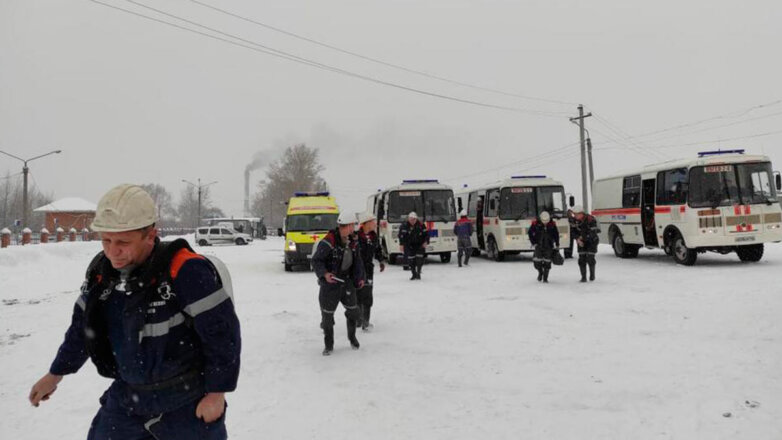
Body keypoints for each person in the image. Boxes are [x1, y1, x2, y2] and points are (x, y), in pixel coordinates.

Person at [28, 184, 241, 440]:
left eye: (123, 242)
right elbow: (82, 330)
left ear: (151, 235)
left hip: (185, 401)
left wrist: (217, 394)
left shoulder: (185, 271)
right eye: (106, 240)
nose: (112, 251)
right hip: (128, 398)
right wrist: (55, 374)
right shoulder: (101, 275)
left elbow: (221, 335)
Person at [311, 212, 366, 355]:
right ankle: (328, 345)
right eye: (352, 226)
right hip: (331, 285)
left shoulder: (353, 241)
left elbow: (358, 262)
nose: (354, 229)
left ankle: (352, 337)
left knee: (353, 312)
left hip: (347, 282)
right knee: (327, 318)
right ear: (346, 226)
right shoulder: (329, 241)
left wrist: (359, 278)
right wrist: (324, 274)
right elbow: (316, 260)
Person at [355, 212, 386, 331]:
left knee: (368, 295)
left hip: (368, 269)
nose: (375, 224)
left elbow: (377, 250)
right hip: (356, 270)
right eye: (373, 221)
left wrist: (381, 261)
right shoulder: (356, 236)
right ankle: (358, 319)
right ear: (366, 223)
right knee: (358, 295)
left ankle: (365, 321)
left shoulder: (373, 236)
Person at [528, 211, 559, 283]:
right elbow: (530, 233)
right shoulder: (535, 224)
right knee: (537, 262)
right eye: (544, 221)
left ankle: (545, 278)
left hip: (549, 246)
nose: (545, 223)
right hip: (538, 245)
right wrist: (533, 242)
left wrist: (557, 244)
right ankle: (540, 272)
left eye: (546, 221)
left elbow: (556, 234)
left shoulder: (552, 224)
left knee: (547, 262)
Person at [572, 205, 600, 282]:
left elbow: (592, 233)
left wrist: (582, 238)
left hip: (592, 241)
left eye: (576, 214)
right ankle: (583, 277)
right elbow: (573, 232)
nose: (575, 216)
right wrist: (578, 239)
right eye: (574, 214)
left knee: (590, 259)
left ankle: (592, 275)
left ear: (581, 213)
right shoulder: (574, 221)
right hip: (581, 242)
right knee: (581, 259)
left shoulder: (591, 219)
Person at [397, 211, 429, 280]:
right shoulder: (404, 225)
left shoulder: (421, 225)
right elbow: (401, 236)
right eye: (411, 219)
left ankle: (418, 272)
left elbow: (426, 234)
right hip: (409, 245)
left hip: (420, 244)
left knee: (419, 259)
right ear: (408, 219)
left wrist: (426, 242)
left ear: (416, 219)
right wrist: (401, 245)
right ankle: (413, 273)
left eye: (414, 219)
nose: (412, 221)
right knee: (411, 260)